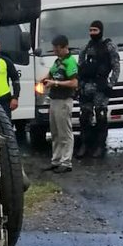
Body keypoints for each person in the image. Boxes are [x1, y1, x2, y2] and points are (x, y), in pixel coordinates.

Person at [76, 20, 120, 159]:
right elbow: (80, 67)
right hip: (87, 87)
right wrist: (79, 85)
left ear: (101, 30)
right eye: (90, 30)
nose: (92, 33)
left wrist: (111, 85)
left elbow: (116, 67)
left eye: (95, 30)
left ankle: (100, 146)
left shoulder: (109, 46)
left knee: (101, 117)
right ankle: (85, 145)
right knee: (84, 117)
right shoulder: (85, 47)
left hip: (101, 86)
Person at [40, 35, 78, 172]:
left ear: (64, 47)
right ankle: (56, 160)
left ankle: (66, 162)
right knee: (55, 131)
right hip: (54, 99)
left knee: (65, 132)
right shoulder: (57, 62)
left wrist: (55, 83)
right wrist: (44, 79)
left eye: (57, 48)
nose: (55, 51)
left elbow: (74, 82)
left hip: (64, 100)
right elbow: (50, 75)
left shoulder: (70, 62)